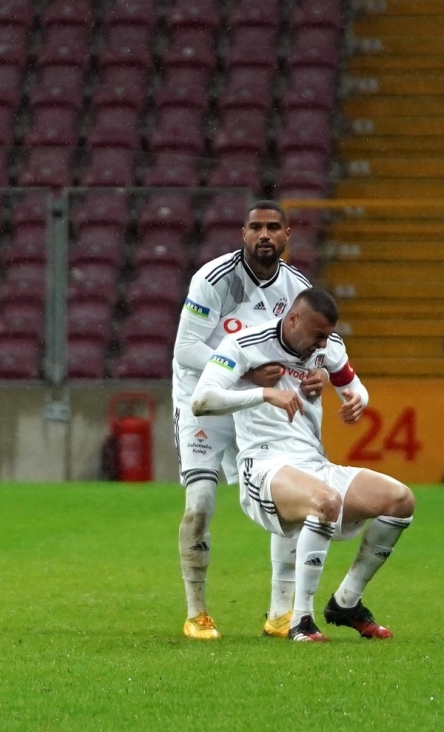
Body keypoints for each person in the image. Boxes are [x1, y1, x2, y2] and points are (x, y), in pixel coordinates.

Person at [191, 287, 415, 642]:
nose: (323, 345)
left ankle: (346, 602)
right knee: (324, 502)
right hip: (263, 466)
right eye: (318, 336)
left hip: (313, 462)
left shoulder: (327, 348)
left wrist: (357, 401)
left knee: (400, 500)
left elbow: (355, 387)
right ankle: (301, 620)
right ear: (293, 319)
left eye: (328, 336)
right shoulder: (245, 344)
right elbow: (202, 400)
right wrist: (264, 393)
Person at [172, 200, 329, 640]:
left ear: (287, 235)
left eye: (273, 227)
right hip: (207, 397)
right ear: (242, 234)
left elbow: (310, 348)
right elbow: (185, 350)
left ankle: (280, 612)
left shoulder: (298, 287)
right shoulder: (212, 279)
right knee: (200, 502)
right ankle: (197, 612)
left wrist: (317, 376)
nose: (264, 235)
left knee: (289, 498)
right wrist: (243, 372)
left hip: (264, 401)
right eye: (256, 227)